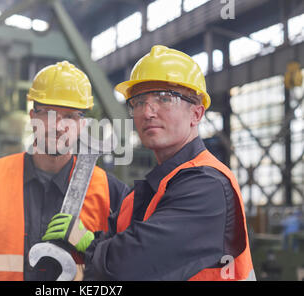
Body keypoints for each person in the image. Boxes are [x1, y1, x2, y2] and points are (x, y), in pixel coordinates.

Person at [42, 45, 256, 280]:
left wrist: (89, 246)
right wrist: (89, 240)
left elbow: (129, 266)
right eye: (139, 101)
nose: (148, 112)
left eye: (165, 98)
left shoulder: (208, 186)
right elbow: (118, 249)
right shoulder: (140, 195)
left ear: (197, 114)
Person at [0, 61, 130, 281]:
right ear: (33, 118)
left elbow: (129, 269)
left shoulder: (110, 191)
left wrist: (93, 246)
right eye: (49, 113)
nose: (58, 126)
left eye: (70, 116)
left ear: (82, 125)